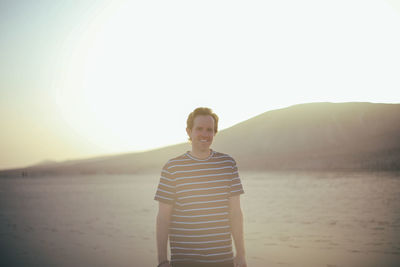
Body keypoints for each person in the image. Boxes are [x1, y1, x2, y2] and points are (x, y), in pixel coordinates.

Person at [155, 107, 247, 267]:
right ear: (189, 131)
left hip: (222, 259)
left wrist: (241, 255)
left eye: (209, 130)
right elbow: (163, 218)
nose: (205, 134)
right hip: (184, 261)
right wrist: (162, 261)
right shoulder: (172, 167)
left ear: (214, 133)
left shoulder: (227, 164)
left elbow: (235, 214)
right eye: (199, 129)